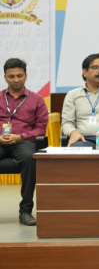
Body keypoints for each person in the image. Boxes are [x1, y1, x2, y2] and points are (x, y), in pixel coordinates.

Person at [0, 58, 48, 226]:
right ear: (5, 77)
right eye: (11, 76)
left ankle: (25, 210)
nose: (16, 80)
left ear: (26, 76)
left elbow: (41, 128)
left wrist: (21, 136)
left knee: (29, 158)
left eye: (19, 76)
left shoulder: (37, 99)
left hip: (23, 140)